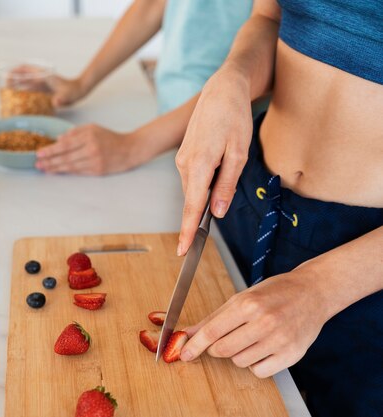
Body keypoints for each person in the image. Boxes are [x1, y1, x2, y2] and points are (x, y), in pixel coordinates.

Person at [174, 1, 383, 415]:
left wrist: (320, 287)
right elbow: (270, 18)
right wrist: (233, 76)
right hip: (251, 201)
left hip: (365, 272)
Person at [35, 0, 252, 175]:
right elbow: (153, 4)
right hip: (169, 124)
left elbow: (264, 69)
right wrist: (81, 83)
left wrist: (133, 147)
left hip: (226, 144)